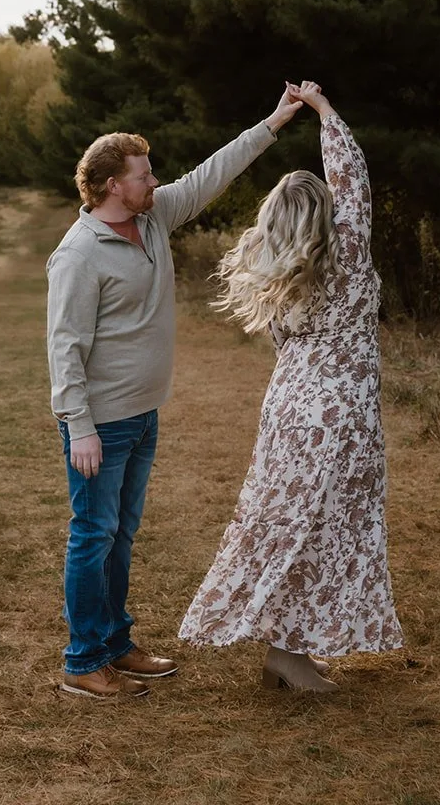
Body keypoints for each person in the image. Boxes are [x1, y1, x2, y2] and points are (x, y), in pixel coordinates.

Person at [46, 86, 304, 700]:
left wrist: (272, 123)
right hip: (100, 424)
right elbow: (64, 347)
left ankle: (114, 644)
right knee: (93, 533)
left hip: (141, 414)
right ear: (112, 184)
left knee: (121, 534)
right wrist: (78, 424)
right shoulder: (79, 254)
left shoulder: (152, 216)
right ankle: (82, 662)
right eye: (144, 173)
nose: (156, 181)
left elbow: (210, 174)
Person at [179, 81, 403, 691]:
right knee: (326, 529)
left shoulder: (282, 268)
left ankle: (288, 649)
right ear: (326, 213)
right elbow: (352, 176)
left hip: (289, 408)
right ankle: (290, 652)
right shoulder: (349, 250)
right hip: (340, 413)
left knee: (289, 523)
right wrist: (328, 111)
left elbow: (286, 341)